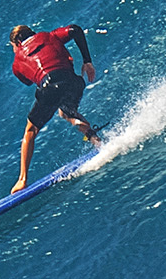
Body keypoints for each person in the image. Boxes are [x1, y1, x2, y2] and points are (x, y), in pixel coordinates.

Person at [7, 22, 102, 192]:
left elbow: (28, 81)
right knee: (67, 112)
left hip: (49, 87)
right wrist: (87, 61)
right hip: (73, 82)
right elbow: (75, 30)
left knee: (30, 131)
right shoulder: (49, 36)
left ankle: (22, 180)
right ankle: (97, 142)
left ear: (17, 43)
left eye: (12, 46)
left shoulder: (17, 61)